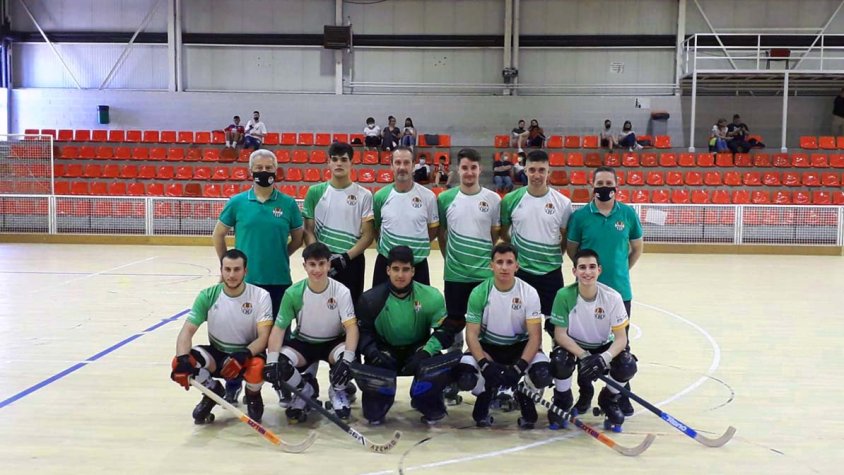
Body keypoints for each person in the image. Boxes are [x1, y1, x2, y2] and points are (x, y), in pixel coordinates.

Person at [212, 148, 304, 405]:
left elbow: (297, 238)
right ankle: (233, 385)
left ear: (276, 170)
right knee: (240, 338)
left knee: (280, 337)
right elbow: (218, 234)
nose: (264, 172)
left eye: (269, 168)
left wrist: (281, 254)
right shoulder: (238, 202)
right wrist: (226, 265)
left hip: (278, 282)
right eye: (259, 168)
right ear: (250, 171)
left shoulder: (287, 204)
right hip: (245, 285)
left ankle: (283, 384)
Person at [565, 166, 643, 416]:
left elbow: (637, 248)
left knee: (622, 345)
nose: (604, 187)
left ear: (617, 186)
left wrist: (620, 271)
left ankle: (619, 395)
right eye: (600, 182)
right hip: (585, 290)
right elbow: (572, 250)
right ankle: (585, 393)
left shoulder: (628, 214)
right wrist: (588, 275)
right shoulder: (580, 217)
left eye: (609, 182)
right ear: (592, 185)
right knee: (583, 343)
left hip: (620, 291)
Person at [355, 245, 460, 425]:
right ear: (387, 270)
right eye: (395, 269)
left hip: (418, 349)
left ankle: (424, 398)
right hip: (384, 351)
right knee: (373, 415)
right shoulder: (370, 299)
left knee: (434, 410)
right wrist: (373, 353)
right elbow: (362, 333)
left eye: (405, 269)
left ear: (413, 271)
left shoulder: (431, 296)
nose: (400, 275)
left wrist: (426, 352)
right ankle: (381, 399)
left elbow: (445, 331)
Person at [170, 249, 273, 424]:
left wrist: (245, 353)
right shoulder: (208, 295)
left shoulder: (261, 296)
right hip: (218, 354)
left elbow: (264, 337)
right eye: (227, 269)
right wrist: (183, 359)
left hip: (246, 354)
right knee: (179, 361)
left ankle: (253, 394)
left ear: (245, 271)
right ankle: (212, 391)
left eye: (237, 269)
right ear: (221, 270)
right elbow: (186, 331)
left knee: (257, 367)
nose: (231, 275)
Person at [455, 243, 552, 429]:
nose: (504, 267)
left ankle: (524, 393)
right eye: (499, 262)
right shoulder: (479, 293)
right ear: (491, 265)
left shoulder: (529, 293)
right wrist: (485, 364)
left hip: (520, 347)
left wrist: (519, 368)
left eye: (509, 262)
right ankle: (487, 391)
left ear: (517, 266)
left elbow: (535, 338)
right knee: (465, 377)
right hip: (489, 347)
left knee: (543, 373)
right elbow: (472, 335)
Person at [262, 243, 359, 422]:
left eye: (321, 264)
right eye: (312, 265)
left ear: (329, 265)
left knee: (351, 359)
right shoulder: (293, 293)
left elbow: (352, 327)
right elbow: (278, 329)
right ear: (305, 266)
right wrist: (271, 360)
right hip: (304, 343)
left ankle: (337, 390)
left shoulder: (341, 291)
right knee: (280, 364)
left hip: (333, 343)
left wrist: (347, 358)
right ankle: (304, 390)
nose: (317, 269)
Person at [437, 148, 502, 403]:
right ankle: (452, 380)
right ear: (457, 170)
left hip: (484, 278)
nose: (469, 172)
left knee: (484, 330)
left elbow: (495, 236)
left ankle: (487, 382)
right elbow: (442, 235)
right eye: (464, 168)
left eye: (473, 168)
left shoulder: (494, 200)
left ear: (480, 170)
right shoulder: (445, 199)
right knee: (454, 331)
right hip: (455, 276)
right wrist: (452, 259)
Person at [547, 249, 636, 431]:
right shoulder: (564, 296)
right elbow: (560, 335)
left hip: (603, 347)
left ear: (599, 270)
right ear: (574, 272)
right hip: (575, 346)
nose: (587, 272)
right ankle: (563, 399)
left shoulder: (613, 297)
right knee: (559, 361)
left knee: (627, 365)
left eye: (592, 267)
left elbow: (621, 339)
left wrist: (604, 358)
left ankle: (609, 399)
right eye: (582, 267)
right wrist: (584, 356)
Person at [500, 149, 573, 318]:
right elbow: (504, 233)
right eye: (532, 170)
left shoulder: (563, 203)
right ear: (525, 171)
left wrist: (552, 255)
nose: (537, 175)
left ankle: (556, 345)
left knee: (554, 322)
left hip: (551, 272)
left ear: (549, 172)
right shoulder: (510, 199)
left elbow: (564, 237)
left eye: (542, 170)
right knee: (520, 321)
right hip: (521, 270)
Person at [303, 141, 374, 304]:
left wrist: (344, 258)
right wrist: (319, 257)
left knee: (351, 310)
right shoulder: (314, 192)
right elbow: (308, 230)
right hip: (322, 263)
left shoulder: (364, 195)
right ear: (328, 162)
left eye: (343, 159)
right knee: (321, 308)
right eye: (334, 159)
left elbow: (368, 235)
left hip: (352, 262)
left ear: (351, 163)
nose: (339, 163)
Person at [372, 147, 439, 287]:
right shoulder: (380, 197)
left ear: (413, 165)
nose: (402, 167)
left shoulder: (428, 197)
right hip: (386, 263)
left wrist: (417, 246)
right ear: (391, 165)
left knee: (420, 308)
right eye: (397, 162)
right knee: (380, 307)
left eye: (406, 162)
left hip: (418, 264)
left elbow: (432, 231)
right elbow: (376, 228)